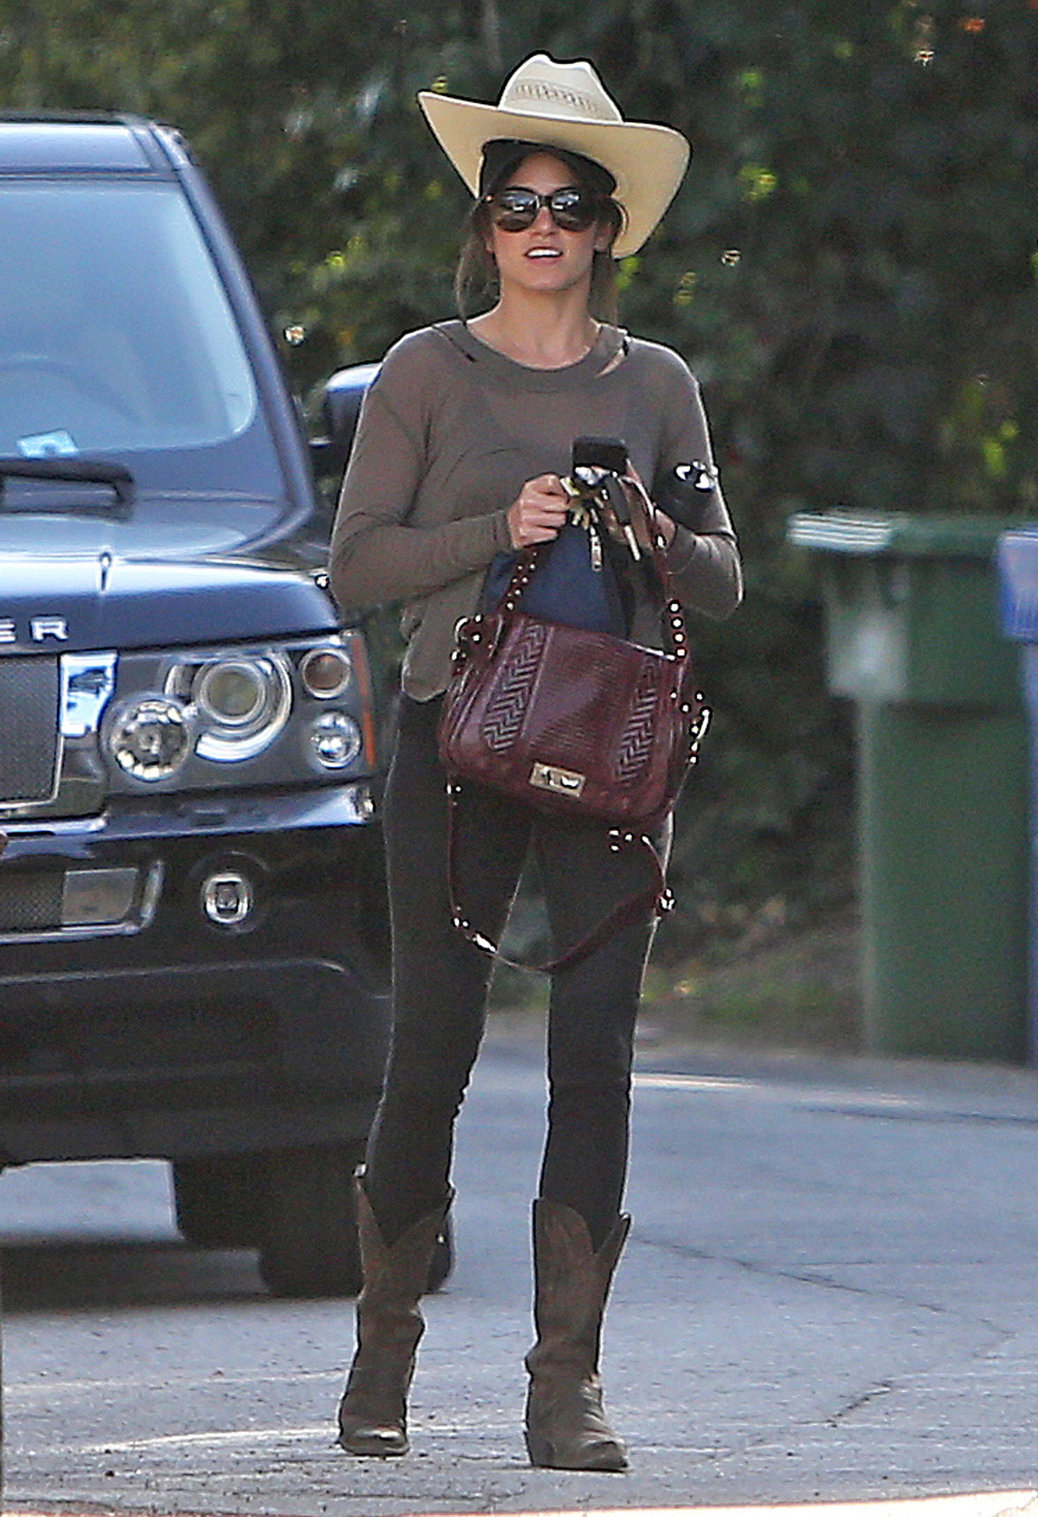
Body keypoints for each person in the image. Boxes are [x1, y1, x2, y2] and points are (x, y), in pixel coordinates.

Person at [328, 53, 743, 1471]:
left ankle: (564, 1386)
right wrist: (494, 529)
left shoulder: (660, 385)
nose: (543, 226)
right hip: (460, 733)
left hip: (610, 757)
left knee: (596, 1056)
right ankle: (380, 1357)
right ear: (486, 222)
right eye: (516, 203)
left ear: (610, 227)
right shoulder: (424, 373)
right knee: (430, 1050)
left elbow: (727, 581)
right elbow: (353, 567)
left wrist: (649, 535)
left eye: (571, 203)